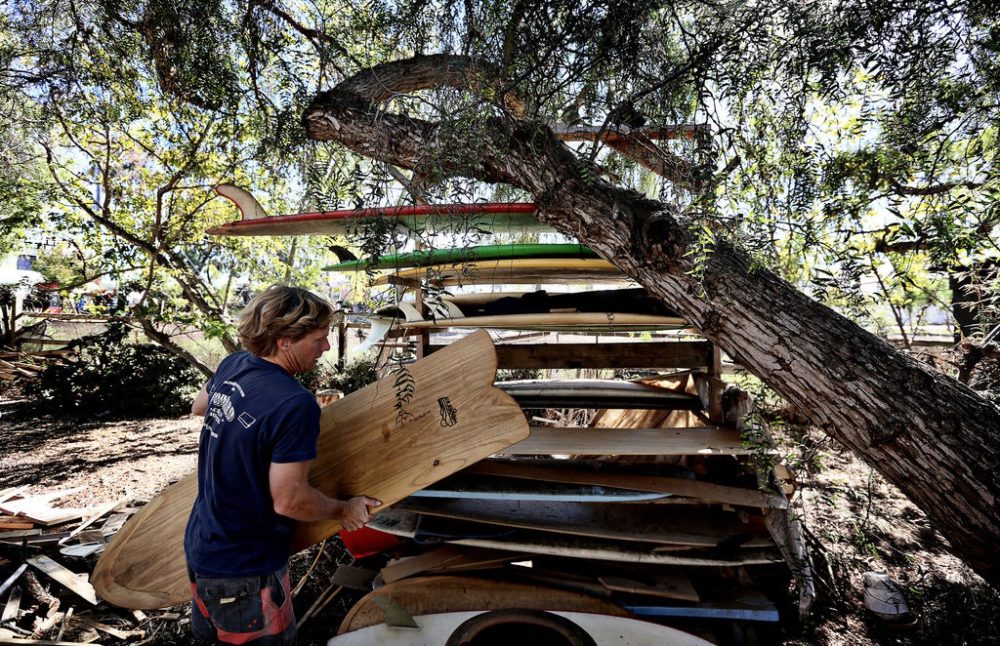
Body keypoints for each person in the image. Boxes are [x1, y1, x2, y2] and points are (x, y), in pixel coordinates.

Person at [184, 285, 380, 645]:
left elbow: (200, 407)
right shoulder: (294, 404)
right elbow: (289, 501)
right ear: (285, 340)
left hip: (204, 544)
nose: (326, 347)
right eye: (319, 338)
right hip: (245, 567)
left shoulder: (235, 364)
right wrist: (343, 509)